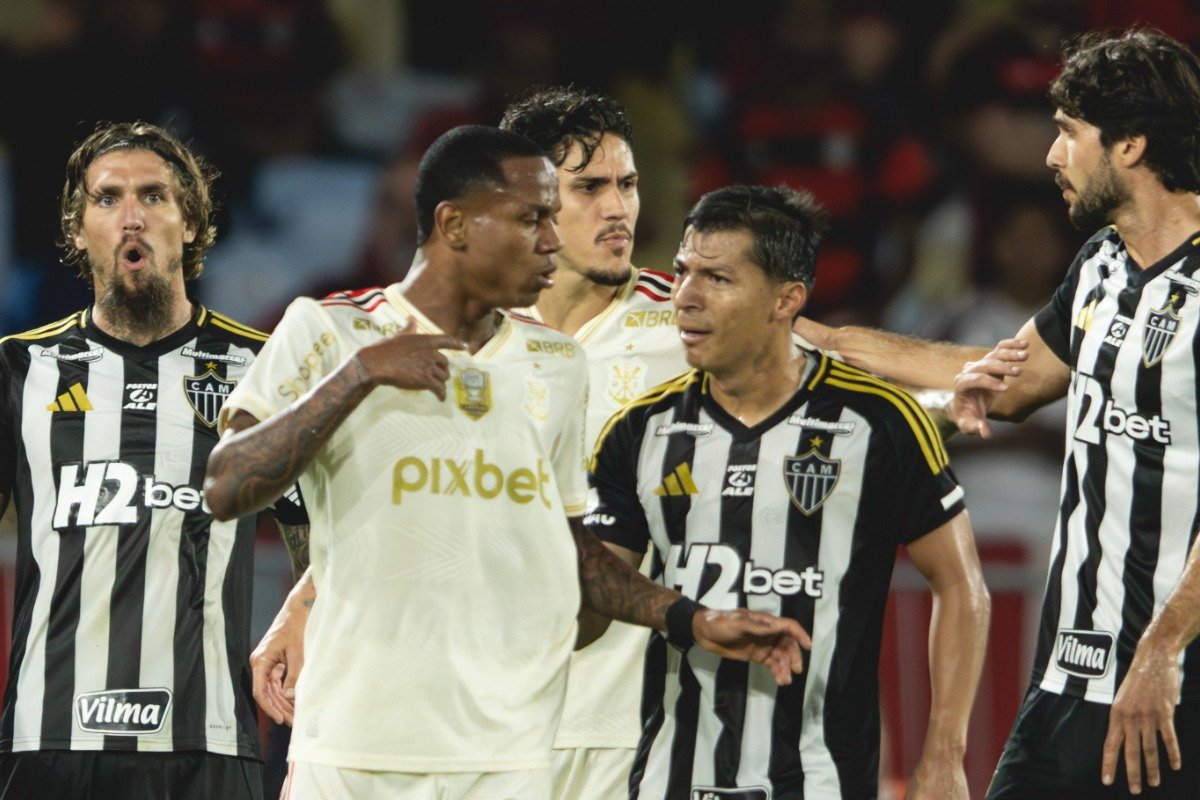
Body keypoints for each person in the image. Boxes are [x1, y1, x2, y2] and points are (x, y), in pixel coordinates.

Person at [201, 125, 810, 800]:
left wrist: (691, 620)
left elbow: (574, 552)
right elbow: (228, 484)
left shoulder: (556, 366)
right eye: (531, 219)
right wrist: (357, 379)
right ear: (454, 224)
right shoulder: (330, 329)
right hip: (352, 750)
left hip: (510, 761)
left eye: (552, 218)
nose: (552, 240)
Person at [795, 27, 1200, 799]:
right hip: (1068, 678)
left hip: (1173, 683)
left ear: (1132, 144)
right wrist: (827, 339)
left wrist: (1163, 647)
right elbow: (1003, 381)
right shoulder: (1102, 265)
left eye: (1068, 133)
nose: (1051, 156)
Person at [589, 184, 990, 799]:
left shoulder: (878, 422)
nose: (685, 298)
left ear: (786, 301)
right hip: (671, 774)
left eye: (717, 279)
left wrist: (944, 753)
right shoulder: (640, 429)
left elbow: (961, 586)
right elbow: (598, 592)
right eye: (682, 272)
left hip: (821, 778)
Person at [0, 122, 307, 799]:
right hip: (49, 740)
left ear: (192, 221)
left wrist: (308, 624)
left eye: (153, 196)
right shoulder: (20, 368)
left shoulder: (264, 369)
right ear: (77, 230)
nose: (131, 216)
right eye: (107, 199)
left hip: (210, 742)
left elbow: (324, 537)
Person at [499, 86, 692, 800]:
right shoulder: (459, 334)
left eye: (628, 184)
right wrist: (301, 607)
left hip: (626, 726)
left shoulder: (688, 322)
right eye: (590, 188)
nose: (619, 209)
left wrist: (986, 380)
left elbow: (831, 363)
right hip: (483, 720)